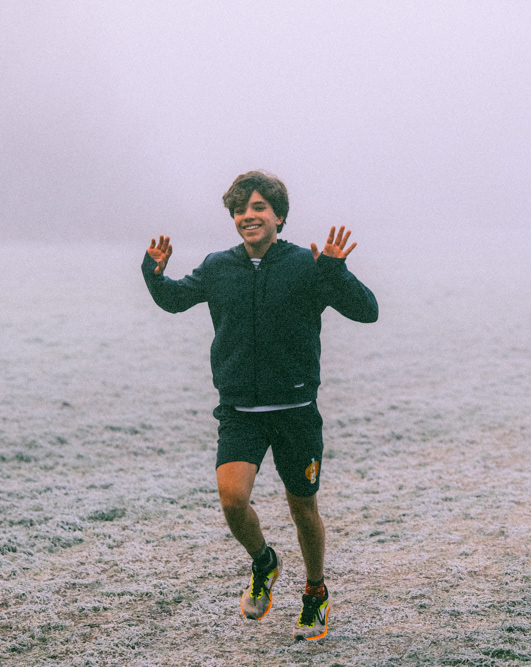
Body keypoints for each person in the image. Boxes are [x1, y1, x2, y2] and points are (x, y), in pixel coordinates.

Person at [140, 170, 378, 641]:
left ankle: (315, 591)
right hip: (240, 412)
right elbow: (174, 300)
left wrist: (336, 272)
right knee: (232, 500)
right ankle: (264, 561)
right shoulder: (217, 267)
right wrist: (153, 273)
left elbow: (367, 310)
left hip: (295, 411)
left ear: (279, 216)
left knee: (303, 511)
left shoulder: (308, 265)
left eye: (258, 208)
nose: (248, 216)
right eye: (239, 210)